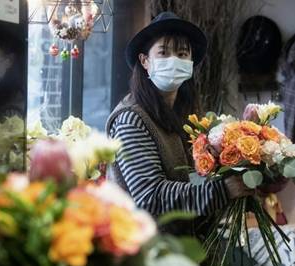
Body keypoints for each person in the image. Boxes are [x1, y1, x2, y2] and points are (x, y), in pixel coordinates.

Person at [106, 12, 253, 236]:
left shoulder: (186, 114)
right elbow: (150, 197)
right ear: (145, 61)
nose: (174, 60)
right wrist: (222, 190)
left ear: (191, 64)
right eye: (164, 52)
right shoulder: (131, 119)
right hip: (145, 252)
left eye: (182, 53)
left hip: (184, 244)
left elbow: (192, 176)